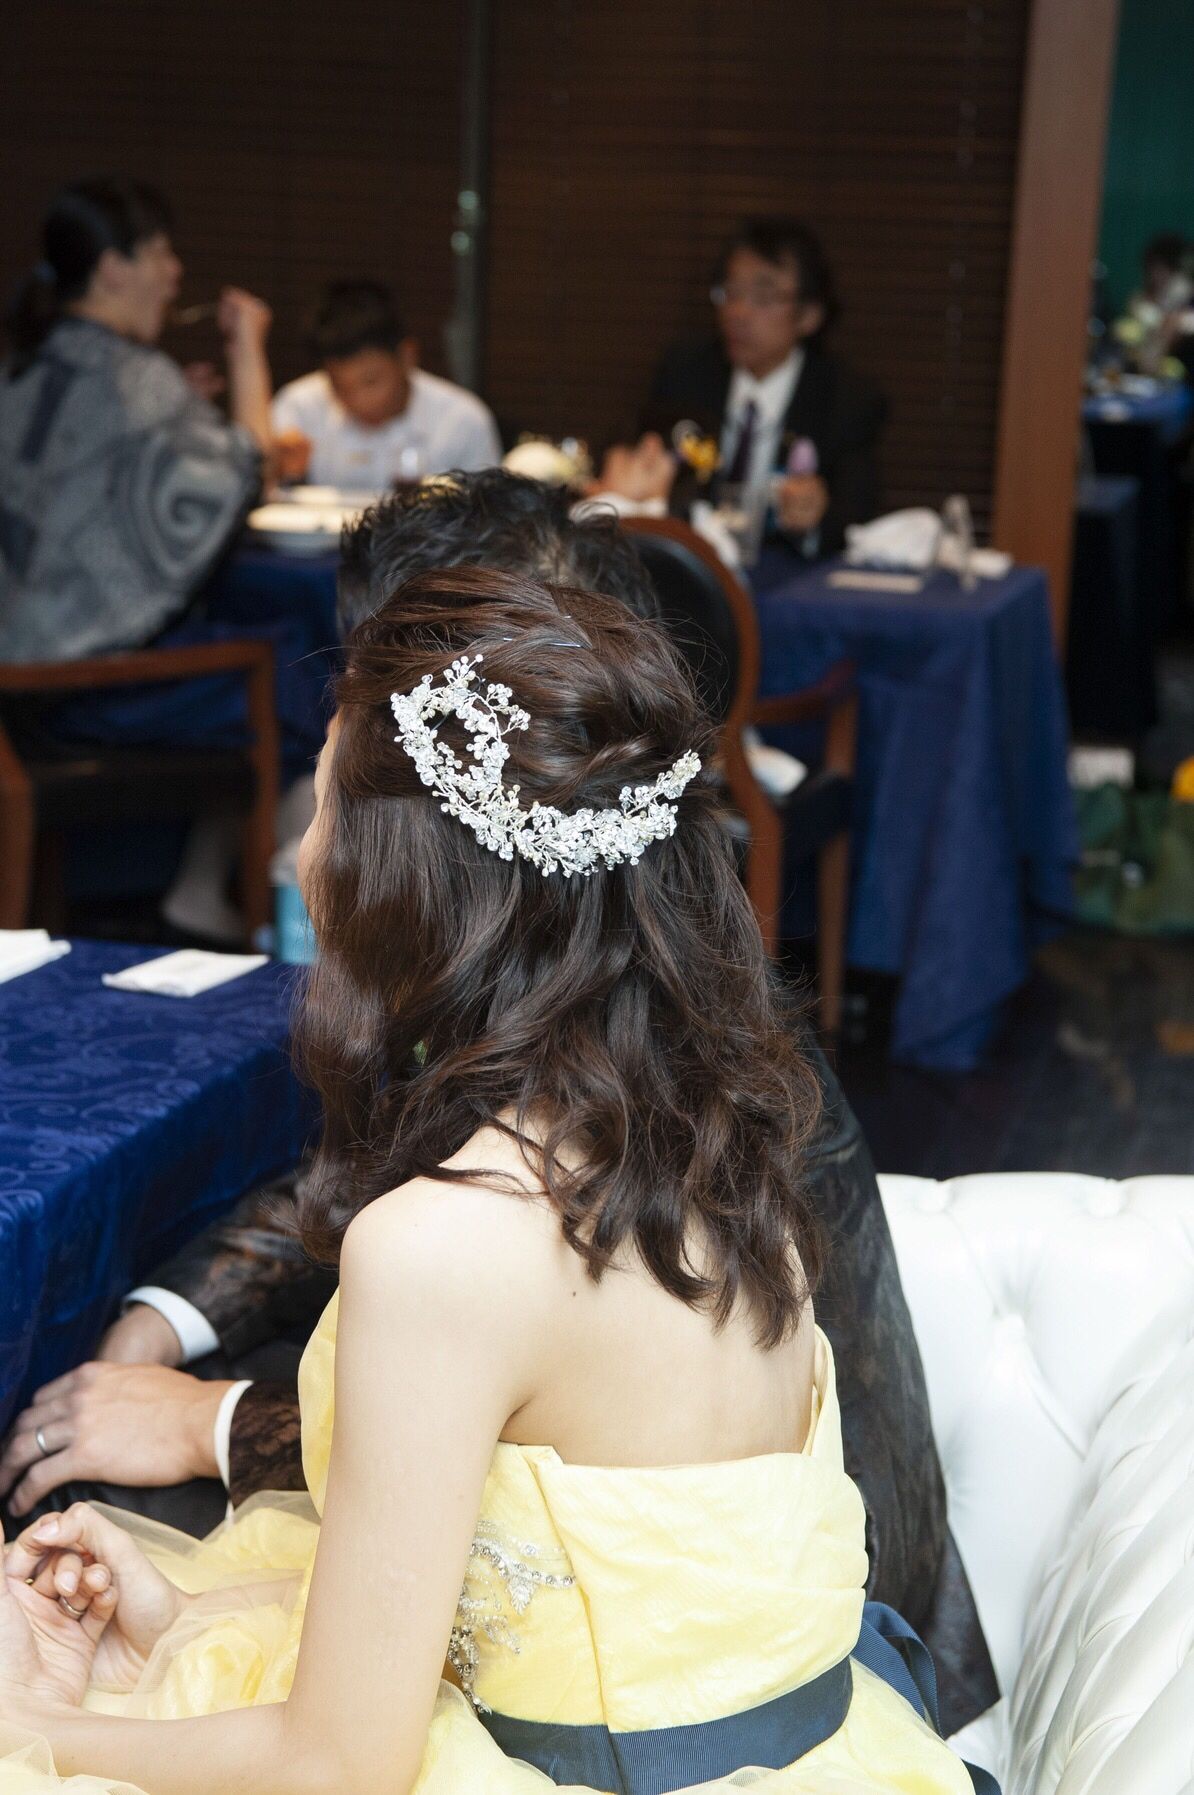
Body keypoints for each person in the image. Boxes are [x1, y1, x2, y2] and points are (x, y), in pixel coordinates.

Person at [0, 472, 997, 1735]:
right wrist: (163, 1328)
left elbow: (617, 1463)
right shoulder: (621, 1018)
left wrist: (219, 1428)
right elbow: (368, 1206)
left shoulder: (744, 1087)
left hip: (788, 1647)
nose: (313, 833)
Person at [0, 176, 272, 662]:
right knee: (290, 650)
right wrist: (247, 348)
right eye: (160, 254)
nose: (175, 272)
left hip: (20, 659)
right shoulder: (137, 378)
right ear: (112, 269)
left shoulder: (23, 366)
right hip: (73, 677)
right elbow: (254, 470)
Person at [644, 216, 887, 557]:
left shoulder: (847, 399)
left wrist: (814, 519)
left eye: (763, 297)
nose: (738, 312)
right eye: (731, 292)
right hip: (696, 567)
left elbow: (854, 521)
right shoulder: (685, 374)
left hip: (790, 575)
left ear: (809, 316)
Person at [271, 280, 501, 489]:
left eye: (371, 381)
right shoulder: (298, 408)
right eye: (339, 386)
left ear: (407, 356)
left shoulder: (461, 420)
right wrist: (285, 473)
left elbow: (486, 512)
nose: (358, 401)